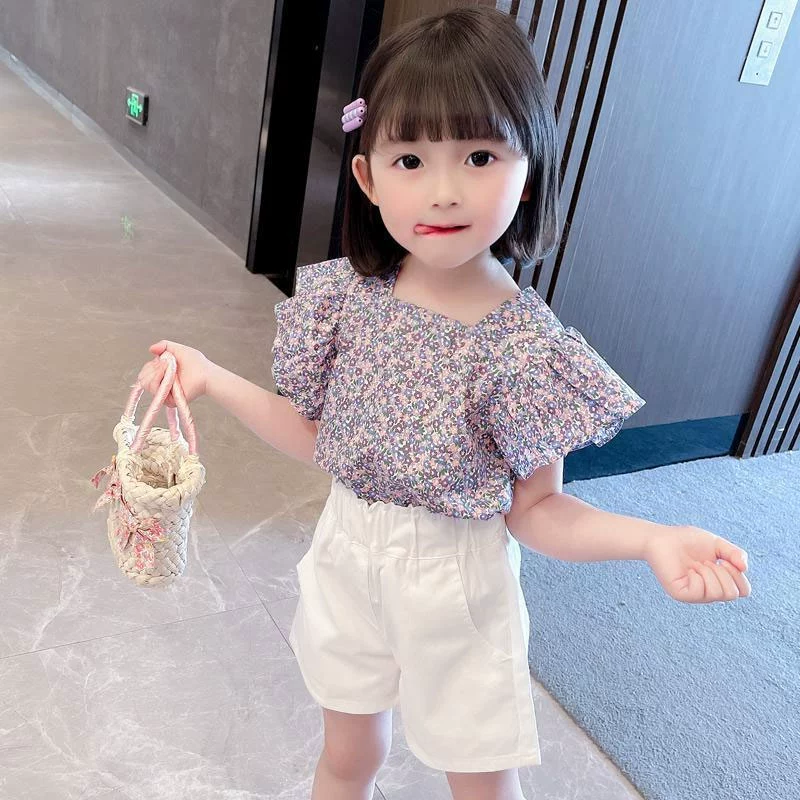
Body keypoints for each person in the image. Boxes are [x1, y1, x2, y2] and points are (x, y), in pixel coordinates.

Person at [136, 7, 751, 799]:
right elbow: (322, 440)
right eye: (410, 159)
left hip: (458, 591)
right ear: (368, 177)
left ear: (529, 170)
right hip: (345, 559)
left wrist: (652, 539)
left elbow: (539, 511)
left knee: (481, 786)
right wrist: (212, 377)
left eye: (480, 155)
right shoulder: (349, 301)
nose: (445, 191)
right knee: (346, 759)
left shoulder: (526, 350)